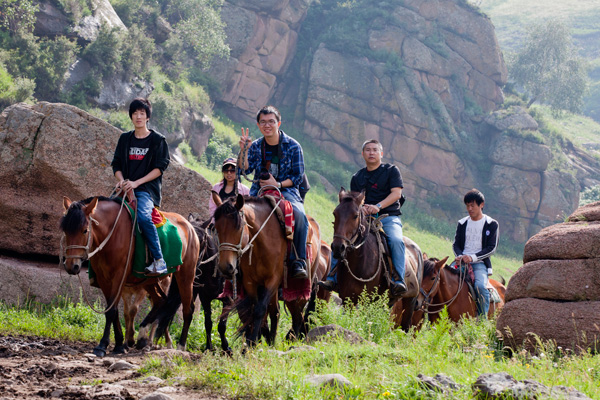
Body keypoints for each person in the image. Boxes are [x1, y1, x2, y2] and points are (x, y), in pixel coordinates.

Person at [319, 139, 408, 296]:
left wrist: (377, 206)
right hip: (363, 217)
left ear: (381, 153)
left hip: (387, 216)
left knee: (396, 240)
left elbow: (396, 194)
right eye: (368, 150)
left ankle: (398, 280)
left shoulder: (391, 171)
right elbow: (354, 201)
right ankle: (332, 277)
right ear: (363, 154)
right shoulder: (357, 177)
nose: (371, 152)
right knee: (341, 238)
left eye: (375, 150)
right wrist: (362, 209)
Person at [238, 105, 309, 279]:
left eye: (271, 121)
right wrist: (243, 150)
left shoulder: (293, 146)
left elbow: (298, 177)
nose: (267, 125)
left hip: (287, 191)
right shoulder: (255, 146)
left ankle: (298, 260)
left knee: (300, 215)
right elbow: (244, 170)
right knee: (235, 214)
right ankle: (236, 261)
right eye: (263, 122)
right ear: (258, 124)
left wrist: (276, 184)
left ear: (279, 123)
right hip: (259, 191)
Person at [111, 98, 170, 277]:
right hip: (125, 189)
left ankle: (159, 260)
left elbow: (160, 168)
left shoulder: (158, 140)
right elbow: (116, 164)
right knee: (105, 216)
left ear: (147, 117)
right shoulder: (124, 139)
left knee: (144, 218)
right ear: (131, 116)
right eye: (135, 113)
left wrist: (136, 183)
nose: (138, 116)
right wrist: (121, 180)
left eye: (142, 113)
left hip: (146, 191)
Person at [452, 189, 499, 319]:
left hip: (479, 263)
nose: (469, 208)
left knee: (480, 287)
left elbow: (491, 248)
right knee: (441, 280)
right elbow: (455, 244)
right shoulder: (462, 223)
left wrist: (472, 257)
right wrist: (460, 256)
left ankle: (482, 321)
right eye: (467, 205)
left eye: (472, 205)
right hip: (461, 261)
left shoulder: (491, 224)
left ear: (481, 204)